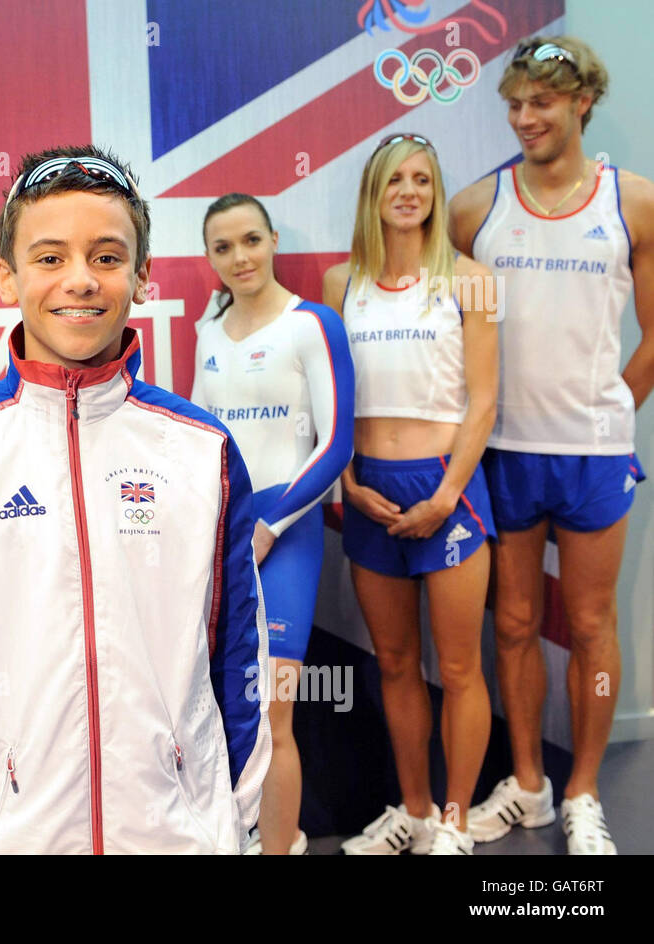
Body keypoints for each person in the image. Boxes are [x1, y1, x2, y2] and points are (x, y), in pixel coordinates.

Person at [0, 145, 271, 854]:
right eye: (50, 258)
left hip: (175, 834)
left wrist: (231, 818)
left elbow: (237, 653)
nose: (80, 281)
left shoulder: (201, 449)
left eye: (108, 256)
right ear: (6, 276)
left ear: (143, 276)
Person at [450, 36, 654, 855]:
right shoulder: (474, 209)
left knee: (594, 622)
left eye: (542, 101)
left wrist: (609, 409)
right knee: (515, 624)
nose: (526, 117)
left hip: (596, 455)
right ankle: (530, 783)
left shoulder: (632, 203)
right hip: (503, 451)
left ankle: (583, 792)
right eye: (515, 102)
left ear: (583, 103)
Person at [324, 133, 498, 855]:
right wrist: (347, 482)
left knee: (458, 667)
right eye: (395, 179)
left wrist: (448, 494)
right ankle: (417, 811)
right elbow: (331, 395)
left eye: (423, 180)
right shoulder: (341, 282)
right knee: (395, 663)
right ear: (373, 192)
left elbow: (485, 400)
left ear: (434, 192)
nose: (409, 192)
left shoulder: (470, 278)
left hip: (446, 487)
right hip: (370, 491)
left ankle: (457, 819)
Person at [192, 194, 354, 855]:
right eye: (224, 247)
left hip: (286, 539)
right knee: (223, 708)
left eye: (250, 241)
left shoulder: (311, 324)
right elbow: (199, 441)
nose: (240, 257)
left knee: (275, 710)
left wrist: (269, 529)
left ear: (273, 240)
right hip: (223, 536)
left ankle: (283, 845)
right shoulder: (207, 332)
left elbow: (337, 442)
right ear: (210, 257)